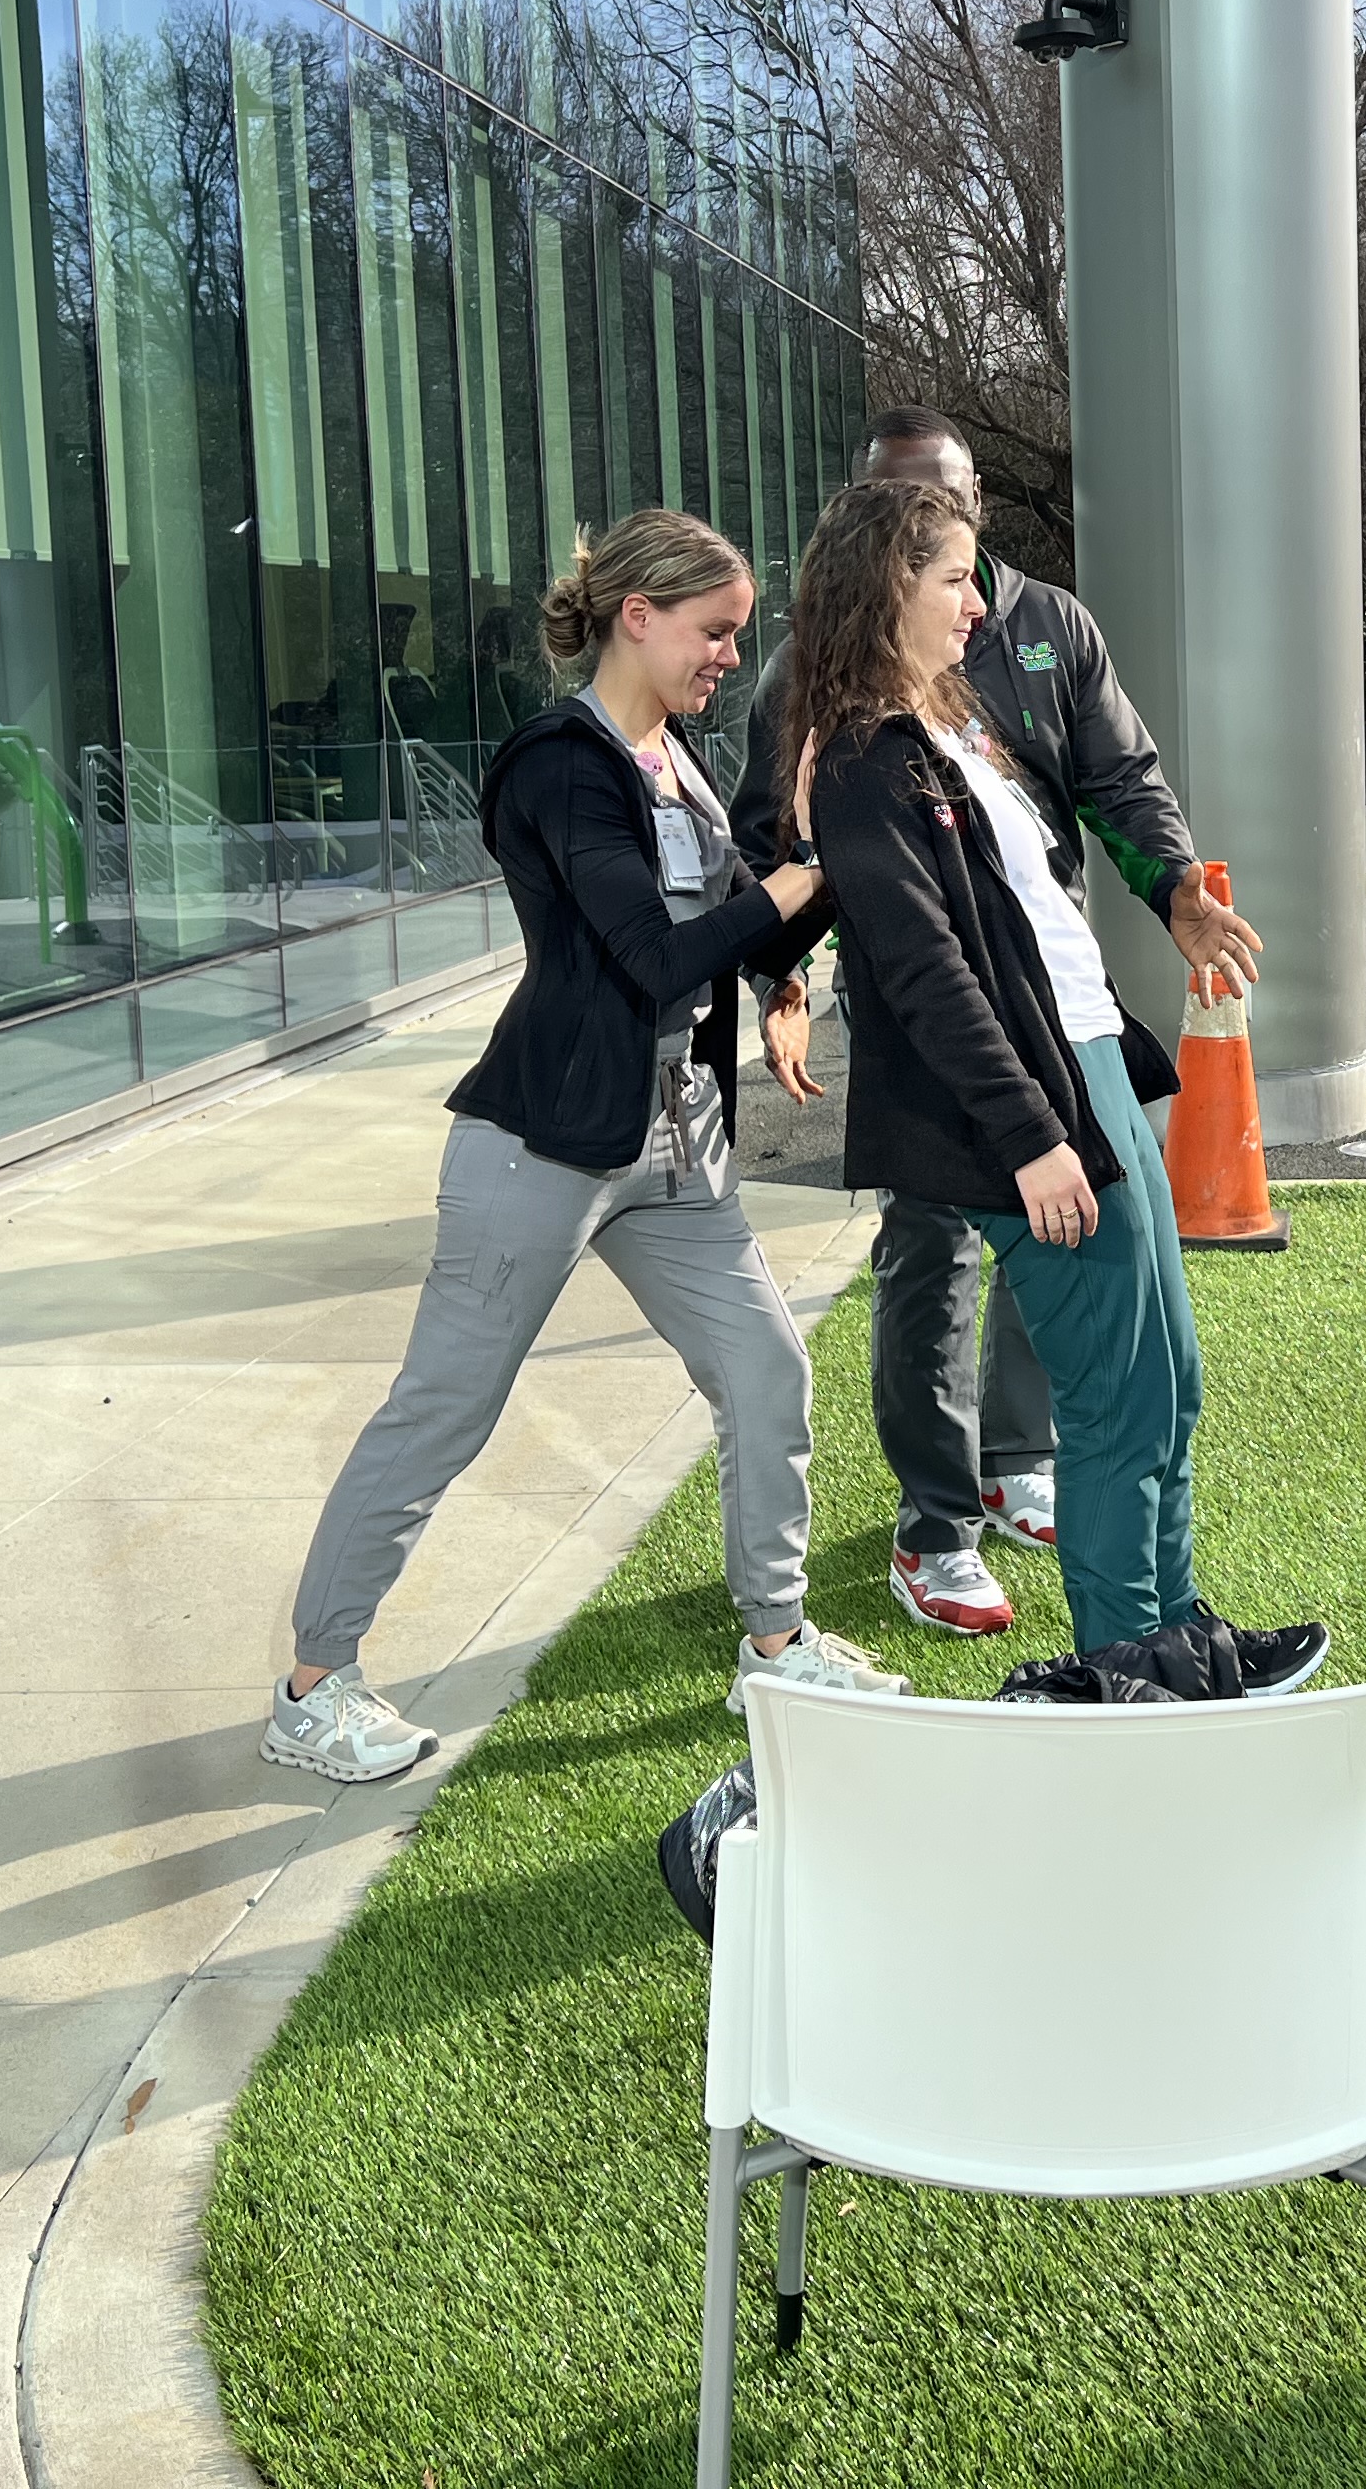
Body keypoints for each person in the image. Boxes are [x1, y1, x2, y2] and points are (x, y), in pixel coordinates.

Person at [263, 510, 904, 1784]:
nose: (731, 655)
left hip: (676, 1143)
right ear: (638, 615)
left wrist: (784, 964)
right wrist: (798, 885)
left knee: (768, 1372)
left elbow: (721, 928)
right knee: (444, 1411)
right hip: (542, 1145)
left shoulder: (676, 759)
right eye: (716, 632)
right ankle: (312, 1685)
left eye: (738, 635)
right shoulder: (562, 764)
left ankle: (775, 1649)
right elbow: (654, 955)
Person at [779, 477, 1320, 1685]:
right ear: (884, 591)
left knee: (1167, 1382)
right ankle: (1128, 1662)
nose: (979, 601)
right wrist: (1031, 1136)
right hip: (1034, 1098)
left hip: (1091, 1065)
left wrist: (1171, 892)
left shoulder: (950, 724)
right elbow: (923, 974)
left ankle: (1177, 1628)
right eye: (953, 579)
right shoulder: (864, 760)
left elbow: (1066, 867)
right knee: (1118, 1399)